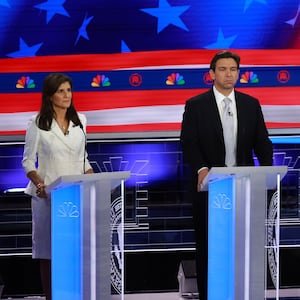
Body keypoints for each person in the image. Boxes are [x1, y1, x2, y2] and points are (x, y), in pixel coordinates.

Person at [180, 50, 273, 300]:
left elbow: (262, 142)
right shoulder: (196, 105)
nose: (228, 74)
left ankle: (243, 293)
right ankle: (209, 295)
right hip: (209, 189)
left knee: (242, 245)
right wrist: (201, 168)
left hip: (243, 188)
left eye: (233, 69)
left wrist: (267, 169)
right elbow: (189, 143)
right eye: (222, 69)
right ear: (211, 74)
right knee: (209, 246)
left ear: (238, 73)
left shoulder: (250, 104)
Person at [22, 73, 94, 300]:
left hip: (74, 195)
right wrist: (39, 182)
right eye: (61, 91)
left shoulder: (81, 121)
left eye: (69, 90)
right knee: (49, 253)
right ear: (50, 95)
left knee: (73, 252)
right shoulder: (37, 123)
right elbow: (27, 161)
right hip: (47, 197)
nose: (66, 95)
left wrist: (93, 177)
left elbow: (83, 159)